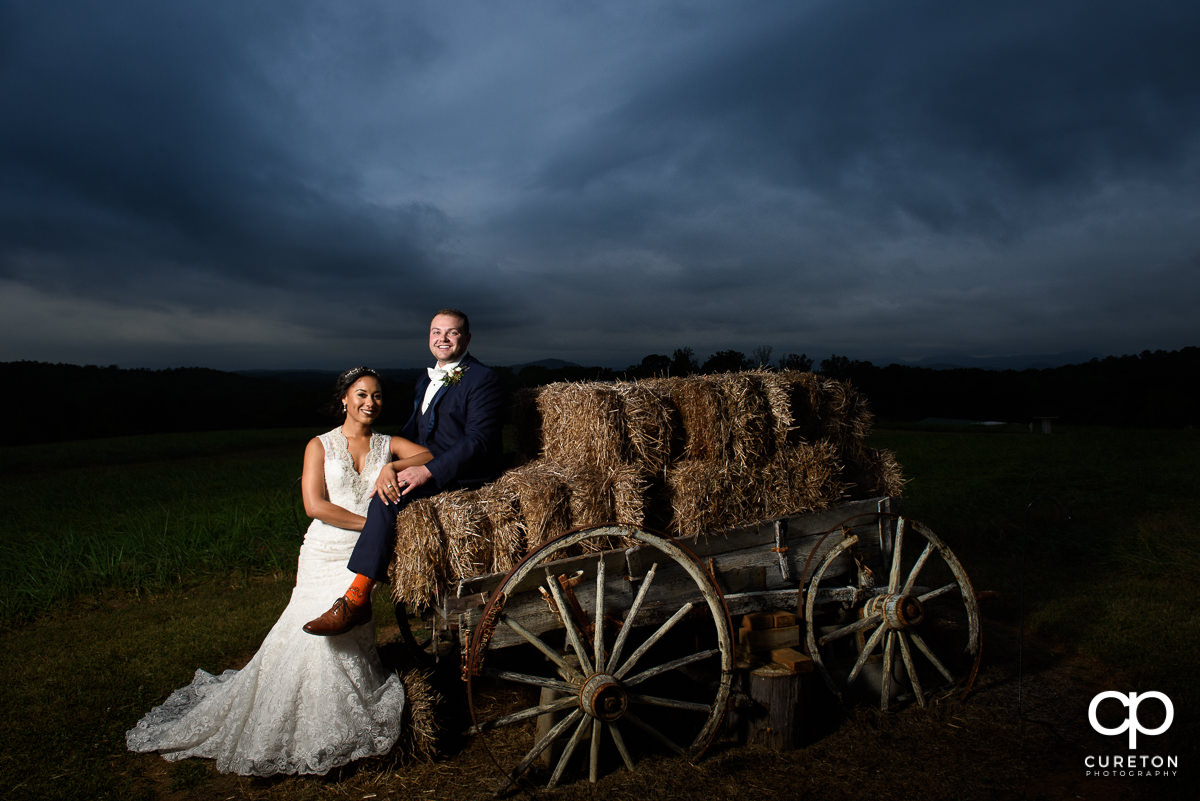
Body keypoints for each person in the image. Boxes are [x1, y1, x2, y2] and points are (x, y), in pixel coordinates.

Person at [126, 367, 434, 776]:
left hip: (365, 558)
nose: (369, 403)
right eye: (361, 395)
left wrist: (391, 467)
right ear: (344, 398)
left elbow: (429, 455)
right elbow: (315, 506)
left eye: (377, 396)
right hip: (326, 550)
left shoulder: (386, 444)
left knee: (351, 631)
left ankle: (339, 720)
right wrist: (375, 526)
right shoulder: (319, 445)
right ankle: (299, 723)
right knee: (310, 633)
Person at [303, 308, 504, 636]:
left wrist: (426, 471)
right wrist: (384, 459)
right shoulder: (425, 379)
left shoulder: (484, 379)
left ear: (466, 338)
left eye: (451, 333)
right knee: (382, 483)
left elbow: (479, 443)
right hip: (424, 462)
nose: (442, 339)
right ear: (429, 337)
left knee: (388, 499)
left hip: (461, 473)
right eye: (436, 332)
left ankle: (357, 597)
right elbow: (414, 432)